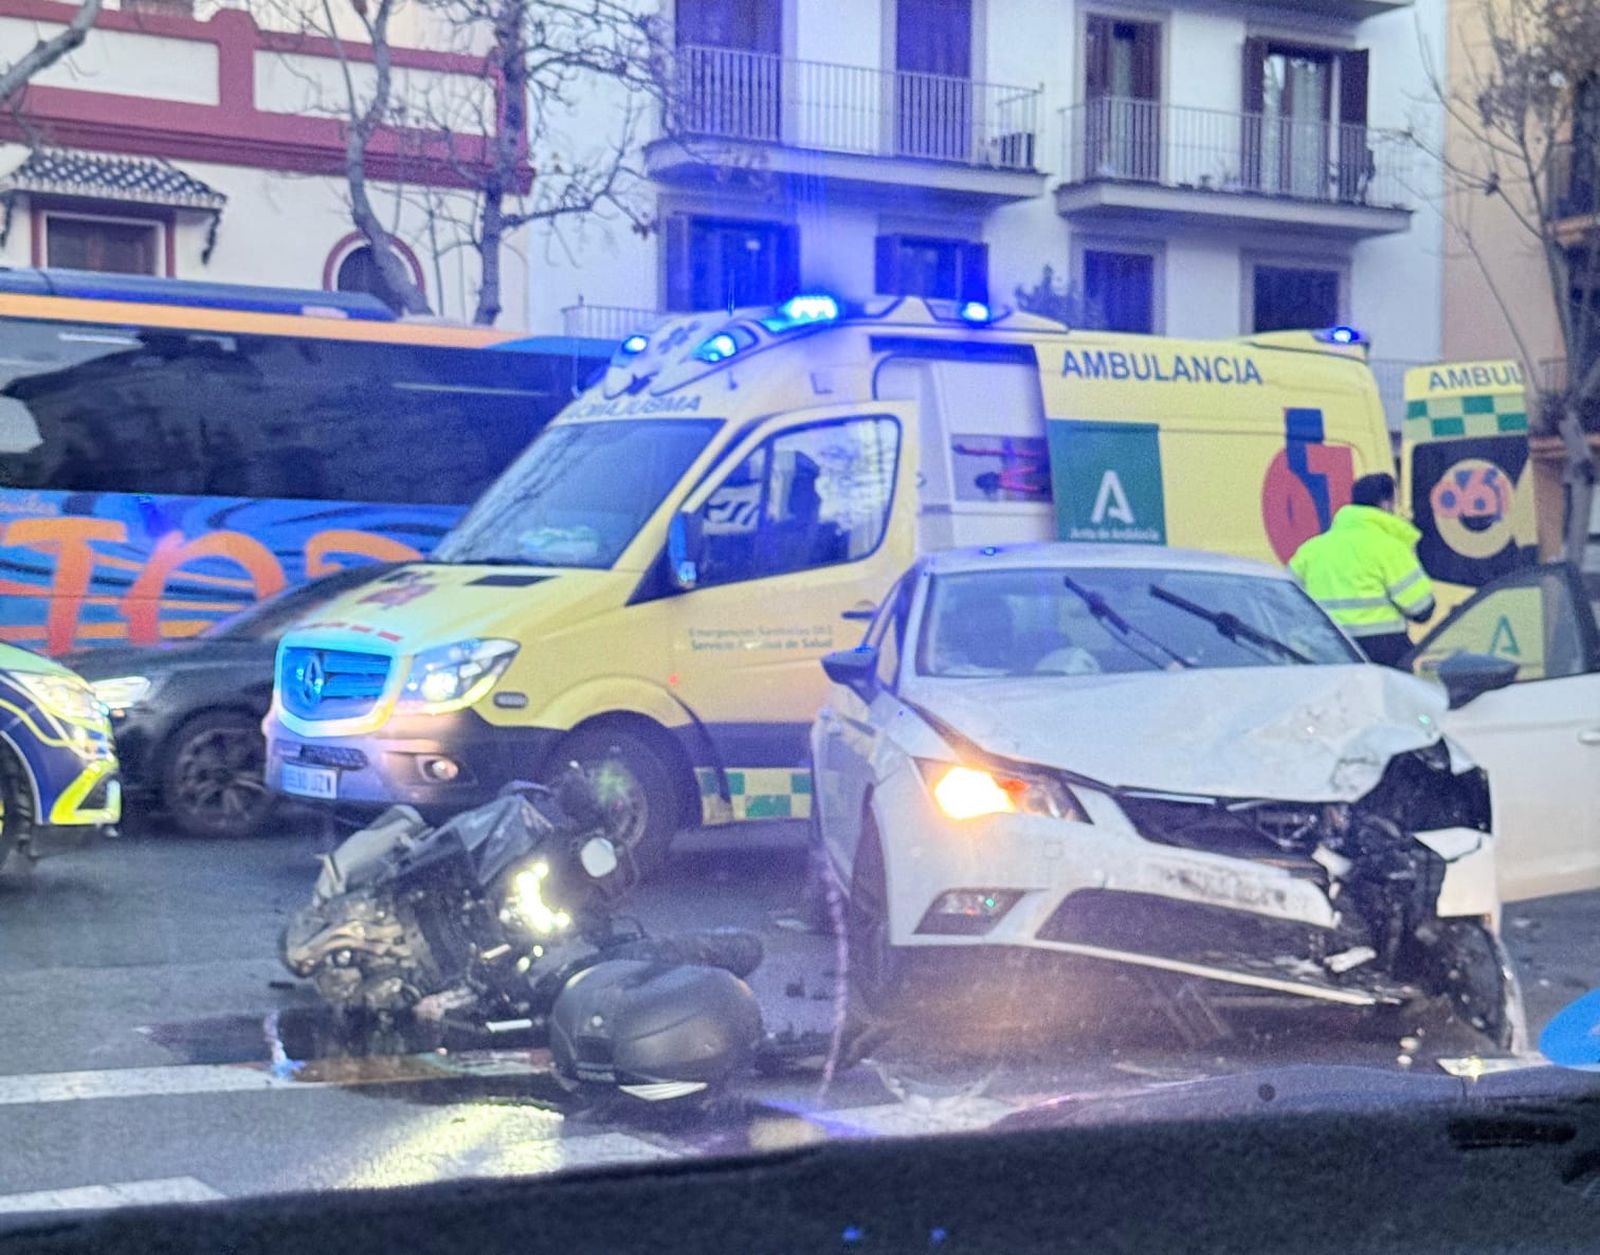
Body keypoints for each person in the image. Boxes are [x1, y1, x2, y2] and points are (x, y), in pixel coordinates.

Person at [1289, 472, 1436, 667]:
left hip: (1323, 651)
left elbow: (1286, 603)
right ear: (1385, 503)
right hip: (1382, 652)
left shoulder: (1310, 550)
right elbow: (1421, 608)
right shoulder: (1390, 548)